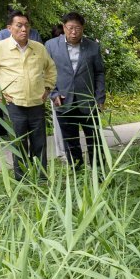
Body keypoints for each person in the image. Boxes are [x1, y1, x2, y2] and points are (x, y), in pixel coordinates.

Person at [0, 10, 57, 179]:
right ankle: (22, 180)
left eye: (27, 25)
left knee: (39, 144)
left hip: (36, 103)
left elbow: (51, 69)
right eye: (19, 25)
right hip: (14, 105)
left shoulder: (39, 48)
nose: (23, 29)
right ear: (9, 28)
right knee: (18, 145)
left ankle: (41, 178)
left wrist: (48, 88)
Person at [45, 12, 107, 167]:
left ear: (83, 28)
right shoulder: (51, 45)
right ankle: (77, 172)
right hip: (64, 101)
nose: (74, 32)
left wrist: (100, 98)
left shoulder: (93, 47)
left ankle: (98, 172)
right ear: (64, 27)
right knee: (70, 141)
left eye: (77, 28)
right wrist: (53, 93)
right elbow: (45, 72)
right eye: (70, 28)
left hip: (88, 101)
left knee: (94, 139)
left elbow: (99, 72)